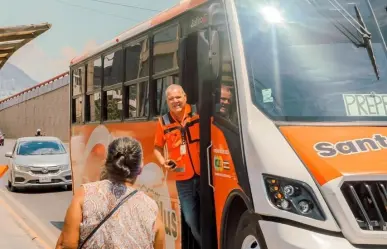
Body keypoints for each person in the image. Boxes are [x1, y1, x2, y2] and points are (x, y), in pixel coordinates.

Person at [56, 137, 165, 249]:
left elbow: (66, 245)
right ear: (140, 168)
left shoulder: (84, 194)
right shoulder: (151, 207)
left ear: (107, 163)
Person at [153, 84, 201, 247]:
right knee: (190, 219)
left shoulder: (198, 113)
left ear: (185, 97)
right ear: (167, 101)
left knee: (210, 216)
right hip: (183, 179)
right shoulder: (163, 122)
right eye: (171, 99)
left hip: (205, 175)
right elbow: (157, 148)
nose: (175, 101)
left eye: (178, 97)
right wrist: (163, 162)